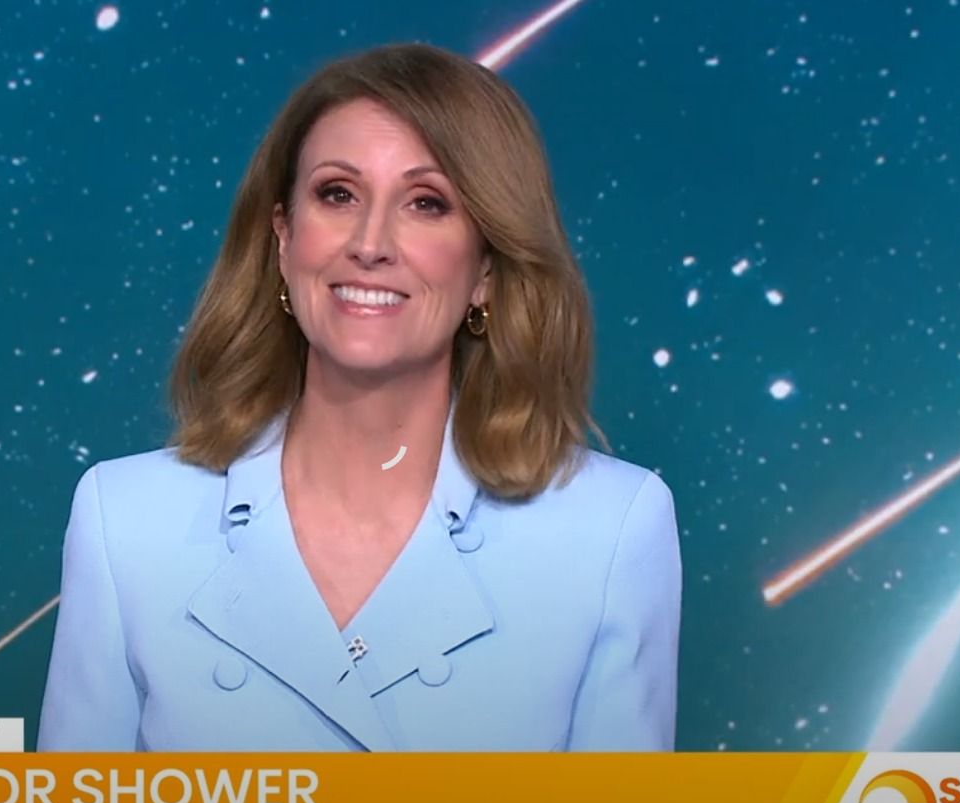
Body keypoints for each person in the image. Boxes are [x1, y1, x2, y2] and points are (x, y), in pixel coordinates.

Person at [37, 42, 681, 752]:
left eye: (427, 203)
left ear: (486, 270)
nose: (370, 244)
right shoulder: (123, 520)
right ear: (283, 238)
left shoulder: (611, 530)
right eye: (338, 194)